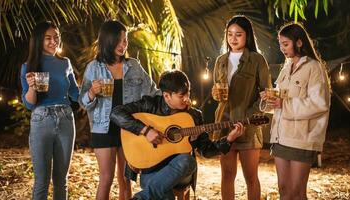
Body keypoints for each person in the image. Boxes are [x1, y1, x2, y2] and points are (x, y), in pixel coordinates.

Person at [111, 70, 246, 200]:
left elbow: (206, 151)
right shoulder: (150, 104)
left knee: (188, 161)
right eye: (181, 96)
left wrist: (229, 139)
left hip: (181, 170)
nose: (187, 99)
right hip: (151, 168)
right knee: (165, 195)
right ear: (166, 96)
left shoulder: (194, 115)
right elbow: (116, 113)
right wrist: (145, 130)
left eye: (188, 94)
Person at [78, 20, 160, 200]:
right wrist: (92, 92)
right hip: (103, 128)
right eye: (120, 40)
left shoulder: (134, 66)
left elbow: (153, 92)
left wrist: (174, 94)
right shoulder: (94, 67)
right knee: (106, 179)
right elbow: (82, 101)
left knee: (126, 179)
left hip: (129, 128)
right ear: (108, 40)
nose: (124, 45)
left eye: (126, 40)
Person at [262, 22, 331, 200]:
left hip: (301, 139)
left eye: (286, 44)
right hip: (280, 137)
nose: (282, 48)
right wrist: (269, 101)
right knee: (284, 190)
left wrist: (283, 104)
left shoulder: (314, 68)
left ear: (299, 42)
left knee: (297, 193)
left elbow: (319, 103)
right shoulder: (286, 68)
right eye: (280, 44)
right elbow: (280, 101)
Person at [211, 15, 272, 200]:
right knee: (227, 176)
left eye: (238, 34)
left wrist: (248, 116)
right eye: (230, 34)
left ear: (248, 36)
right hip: (223, 125)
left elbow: (266, 95)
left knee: (251, 177)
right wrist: (215, 94)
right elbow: (217, 92)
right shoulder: (220, 60)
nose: (233, 38)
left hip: (248, 127)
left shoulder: (257, 60)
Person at [20, 21, 79, 200]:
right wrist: (32, 88)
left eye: (57, 37)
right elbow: (29, 104)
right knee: (41, 181)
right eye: (48, 38)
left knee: (61, 180)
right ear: (39, 41)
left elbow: (75, 94)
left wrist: (92, 89)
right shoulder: (28, 66)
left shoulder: (65, 63)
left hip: (65, 119)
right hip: (41, 119)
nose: (54, 41)